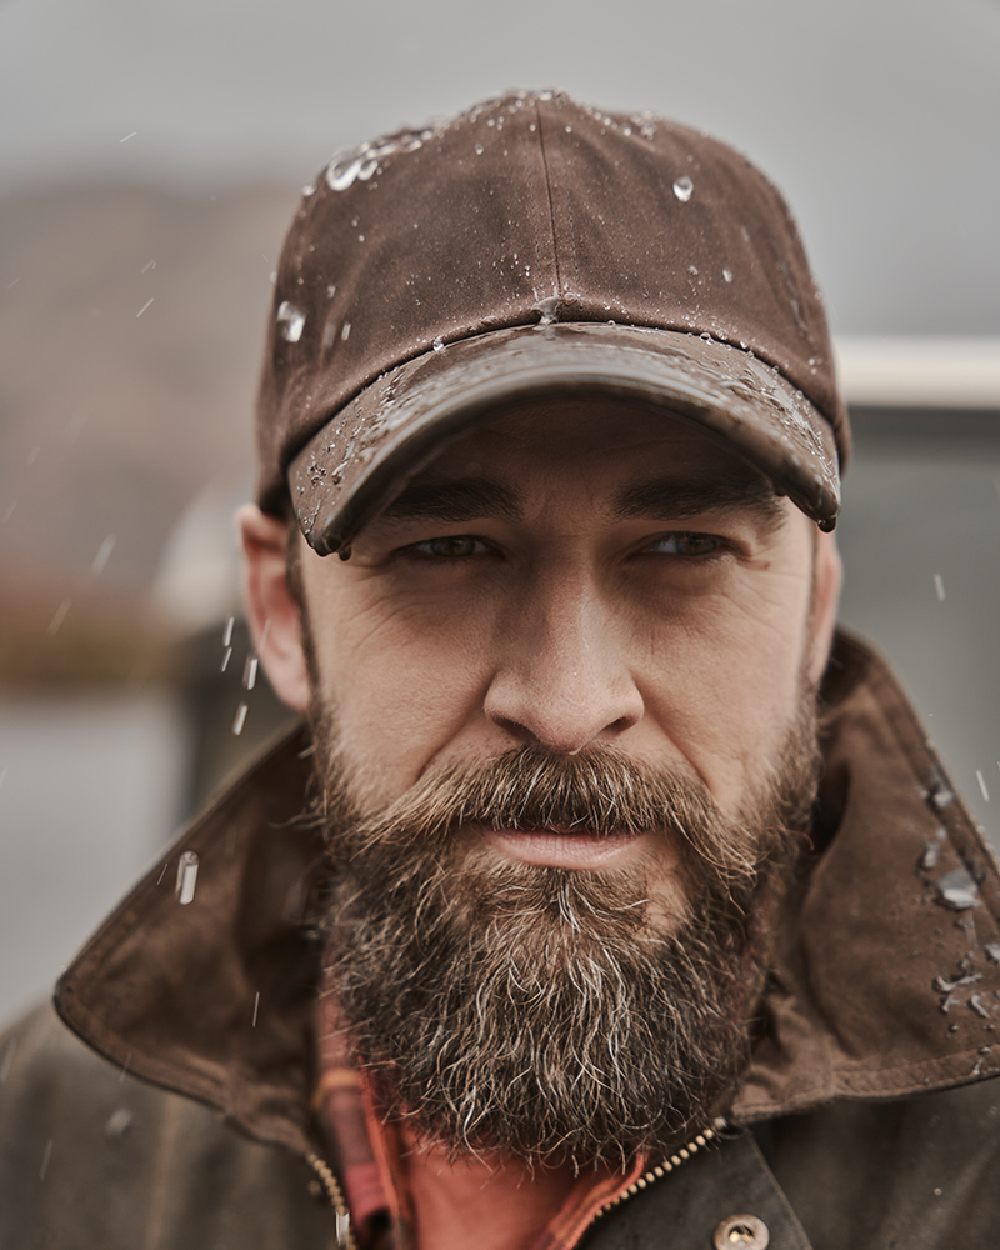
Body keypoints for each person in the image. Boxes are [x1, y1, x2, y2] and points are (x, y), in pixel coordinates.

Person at [2, 90, 998, 1250]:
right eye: (446, 551)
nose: (569, 705)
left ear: (814, 604)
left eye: (681, 548)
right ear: (279, 610)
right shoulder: (49, 1145)